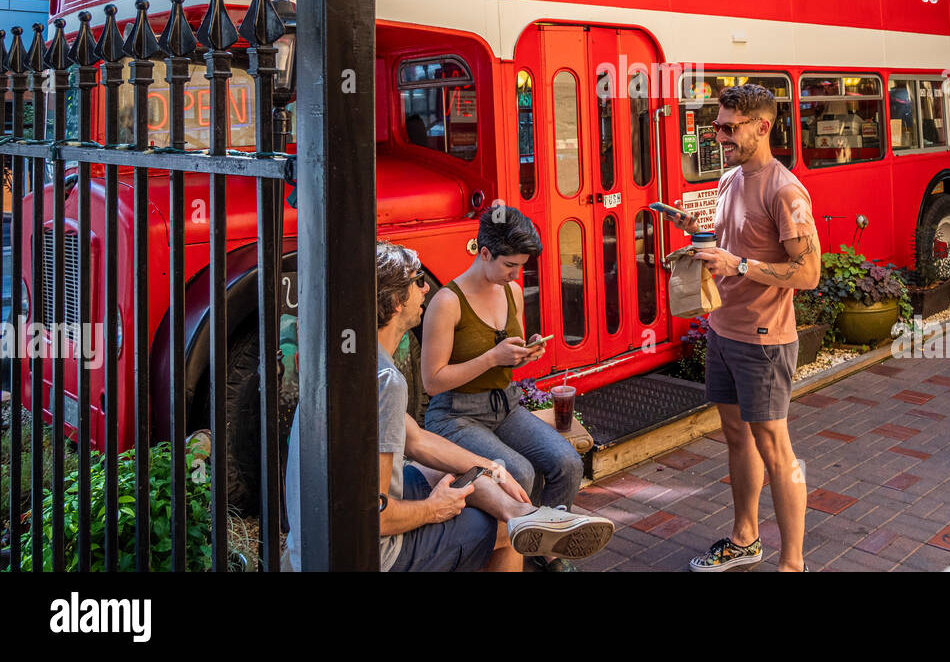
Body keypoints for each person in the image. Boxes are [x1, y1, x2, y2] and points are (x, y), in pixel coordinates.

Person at [283, 240, 614, 571]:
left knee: (462, 472)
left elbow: (416, 440)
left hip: (314, 540)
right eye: (418, 280)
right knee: (503, 529)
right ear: (396, 302)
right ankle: (518, 521)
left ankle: (523, 513)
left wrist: (491, 467)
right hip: (368, 555)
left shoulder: (347, 356)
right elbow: (376, 516)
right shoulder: (385, 381)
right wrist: (433, 508)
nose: (426, 287)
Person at [669, 84, 820, 573]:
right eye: (717, 126)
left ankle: (792, 564)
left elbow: (809, 273)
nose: (720, 136)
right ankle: (744, 539)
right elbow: (732, 249)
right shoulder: (731, 178)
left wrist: (739, 266)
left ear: (763, 126)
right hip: (723, 330)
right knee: (737, 437)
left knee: (776, 448)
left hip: (764, 341)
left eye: (729, 128)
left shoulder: (786, 190)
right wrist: (700, 253)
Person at [420, 206, 591, 570]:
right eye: (510, 265)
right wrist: (492, 359)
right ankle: (515, 553)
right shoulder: (447, 302)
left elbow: (504, 357)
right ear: (484, 253)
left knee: (567, 462)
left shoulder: (511, 291)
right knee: (521, 472)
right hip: (455, 414)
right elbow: (431, 381)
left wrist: (524, 353)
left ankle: (545, 551)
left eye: (521, 266)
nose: (518, 273)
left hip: (505, 406)